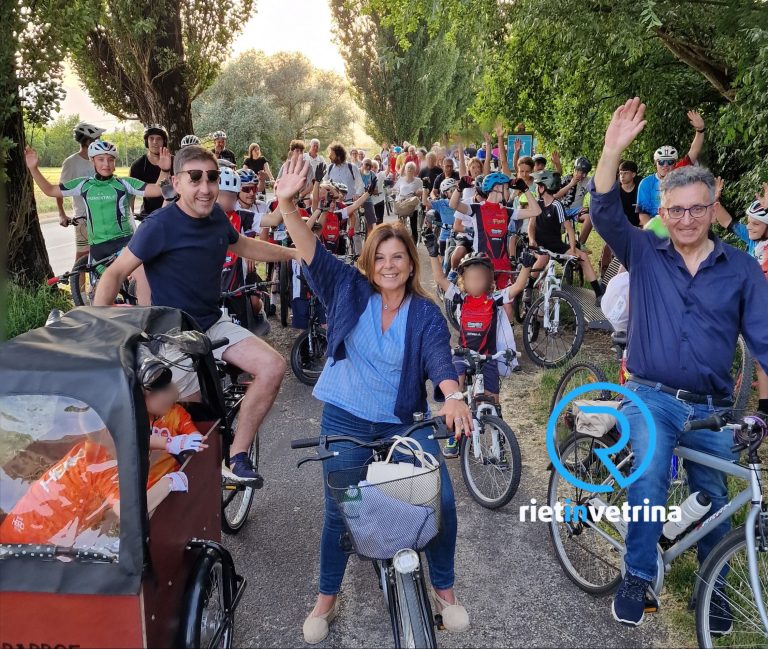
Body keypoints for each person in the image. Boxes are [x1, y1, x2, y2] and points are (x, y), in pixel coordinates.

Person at [275, 151, 472, 645]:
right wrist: (287, 205)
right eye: (380, 257)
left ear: (410, 264)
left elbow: (440, 361)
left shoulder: (424, 313)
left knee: (440, 500)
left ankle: (443, 591)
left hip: (403, 421)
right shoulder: (347, 287)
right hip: (345, 419)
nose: (388, 266)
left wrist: (452, 397)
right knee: (340, 510)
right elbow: (310, 251)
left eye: (397, 257)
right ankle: (326, 598)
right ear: (369, 261)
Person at [590, 97, 768, 631]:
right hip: (652, 396)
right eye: (676, 210)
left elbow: (764, 341)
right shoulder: (645, 251)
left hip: (713, 407)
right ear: (662, 213)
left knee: (715, 500)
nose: (686, 219)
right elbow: (603, 211)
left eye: (697, 209)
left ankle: (713, 591)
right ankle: (638, 576)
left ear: (713, 209)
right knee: (648, 476)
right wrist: (610, 150)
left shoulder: (741, 270)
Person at [92, 145, 298, 485]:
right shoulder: (158, 225)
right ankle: (195, 489)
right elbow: (114, 273)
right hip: (172, 337)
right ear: (177, 182)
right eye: (195, 178)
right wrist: (99, 331)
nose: (205, 187)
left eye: (212, 178)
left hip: (211, 323)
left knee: (273, 366)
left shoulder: (216, 216)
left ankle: (237, 456)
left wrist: (294, 253)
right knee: (197, 428)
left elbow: (243, 245)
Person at [0, 364, 205, 546]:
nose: (137, 431)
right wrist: (171, 481)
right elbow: (130, 513)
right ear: (111, 430)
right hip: (33, 550)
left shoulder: (86, 450)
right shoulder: (107, 465)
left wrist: (170, 444)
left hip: (12, 534)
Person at [426, 245, 536, 455]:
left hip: (487, 357)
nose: (476, 282)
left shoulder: (494, 299)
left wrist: (526, 267)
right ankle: (454, 434)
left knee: (493, 401)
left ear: (489, 281)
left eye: (480, 278)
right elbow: (440, 279)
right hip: (464, 354)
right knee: (456, 390)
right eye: (471, 278)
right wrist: (433, 254)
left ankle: (499, 439)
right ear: (463, 281)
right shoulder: (462, 298)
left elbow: (517, 287)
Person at [26, 141, 168, 262]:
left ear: (114, 163)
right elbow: (50, 190)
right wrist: (33, 168)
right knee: (100, 286)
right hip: (97, 246)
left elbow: (157, 190)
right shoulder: (83, 184)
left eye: (110, 160)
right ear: (92, 161)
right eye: (101, 159)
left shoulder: (124, 183)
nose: (106, 164)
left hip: (125, 244)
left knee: (135, 280)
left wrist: (165, 170)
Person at [450, 172, 540, 318]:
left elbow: (536, 211)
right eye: (506, 188)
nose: (509, 192)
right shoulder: (477, 208)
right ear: (497, 188)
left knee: (508, 306)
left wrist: (525, 190)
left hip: (503, 265)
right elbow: (453, 205)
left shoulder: (507, 211)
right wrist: (459, 188)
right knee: (482, 303)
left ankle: (505, 332)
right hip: (483, 265)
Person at [713, 180, 768, 414]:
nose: (750, 226)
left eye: (756, 223)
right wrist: (715, 200)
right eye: (749, 221)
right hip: (751, 302)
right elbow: (728, 222)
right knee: (758, 359)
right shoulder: (751, 239)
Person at [525, 170, 604, 306]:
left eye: (538, 186)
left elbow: (569, 229)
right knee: (543, 258)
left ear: (543, 188)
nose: (537, 189)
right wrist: (532, 240)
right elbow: (531, 226)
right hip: (539, 244)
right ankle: (528, 287)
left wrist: (573, 250)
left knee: (583, 257)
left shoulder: (557, 205)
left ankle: (598, 294)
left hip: (556, 245)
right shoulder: (536, 204)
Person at [636, 110, 705, 225]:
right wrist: (654, 232)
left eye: (670, 162)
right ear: (655, 163)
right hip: (656, 225)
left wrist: (700, 130)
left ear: (675, 163)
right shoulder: (646, 183)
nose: (665, 165)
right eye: (661, 162)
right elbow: (643, 215)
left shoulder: (680, 171)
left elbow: (694, 151)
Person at [56, 122, 105, 266]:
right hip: (83, 217)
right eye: (98, 139)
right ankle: (78, 281)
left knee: (104, 254)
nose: (100, 142)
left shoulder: (99, 159)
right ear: (89, 142)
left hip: (103, 214)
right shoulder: (71, 162)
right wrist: (62, 214)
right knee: (83, 256)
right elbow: (59, 190)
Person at [130, 125, 173, 218]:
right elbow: (131, 195)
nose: (155, 142)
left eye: (159, 139)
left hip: (173, 213)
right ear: (146, 142)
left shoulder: (174, 161)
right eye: (151, 138)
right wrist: (130, 220)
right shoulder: (138, 166)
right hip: (148, 215)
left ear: (164, 141)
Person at [555, 157, 593, 246]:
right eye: (581, 172)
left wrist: (590, 208)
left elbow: (596, 194)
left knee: (589, 218)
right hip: (562, 210)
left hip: (577, 210)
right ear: (575, 170)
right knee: (558, 232)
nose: (583, 175)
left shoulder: (589, 181)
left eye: (586, 173)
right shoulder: (566, 179)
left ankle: (580, 244)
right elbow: (556, 195)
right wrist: (571, 184)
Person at [393, 161, 425, 241]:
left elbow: (421, 191)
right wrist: (396, 193)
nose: (410, 169)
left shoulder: (418, 181)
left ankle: (414, 242)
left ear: (415, 170)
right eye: (408, 168)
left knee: (413, 225)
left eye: (412, 168)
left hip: (412, 204)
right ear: (405, 169)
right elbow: (395, 189)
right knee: (400, 226)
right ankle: (401, 240)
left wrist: (419, 192)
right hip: (402, 203)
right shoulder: (401, 179)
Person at [618, 160, 640, 227]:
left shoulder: (641, 189)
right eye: (621, 173)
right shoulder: (615, 190)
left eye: (626, 173)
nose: (622, 176)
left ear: (633, 174)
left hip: (638, 227)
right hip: (619, 226)